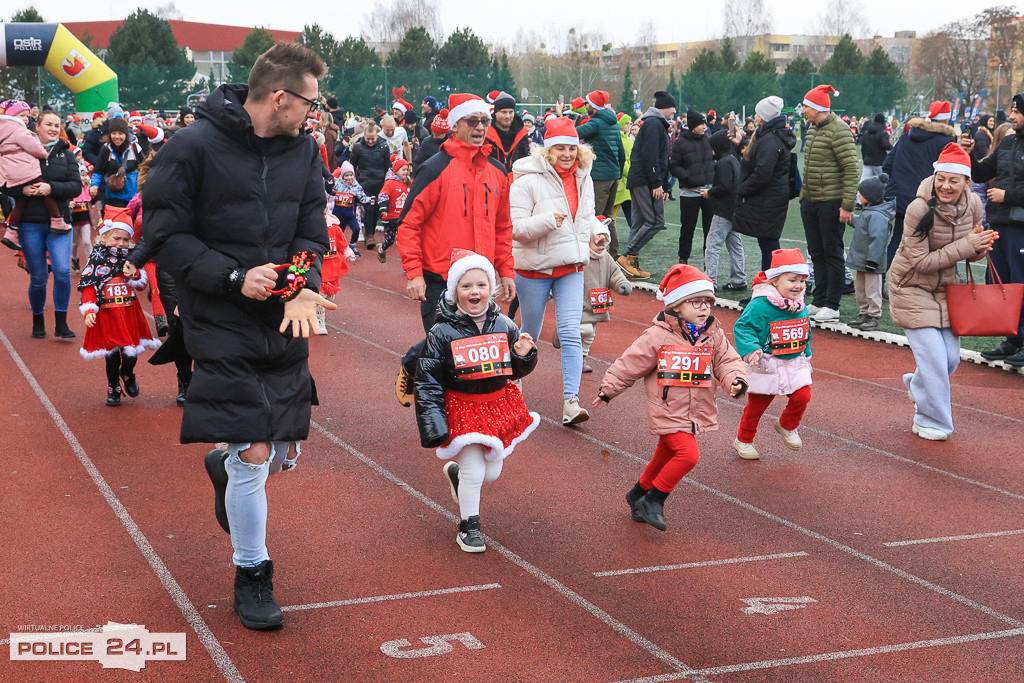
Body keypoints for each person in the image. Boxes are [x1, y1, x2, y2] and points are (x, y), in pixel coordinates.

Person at [143, 42, 335, 631]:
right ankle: (252, 572)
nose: (314, 112)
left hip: (282, 310)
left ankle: (226, 467)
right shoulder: (192, 147)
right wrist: (232, 277)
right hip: (217, 313)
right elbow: (164, 237)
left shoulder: (305, 152)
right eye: (309, 100)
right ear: (280, 97)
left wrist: (300, 284)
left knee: (280, 451)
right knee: (253, 448)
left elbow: (311, 232)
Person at [593, 264, 746, 530]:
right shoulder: (658, 335)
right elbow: (631, 362)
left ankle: (638, 493)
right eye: (695, 302)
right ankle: (655, 498)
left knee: (665, 454)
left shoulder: (713, 335)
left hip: (696, 409)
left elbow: (726, 362)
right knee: (688, 456)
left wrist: (735, 381)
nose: (703, 308)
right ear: (676, 306)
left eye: (707, 302)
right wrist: (608, 389)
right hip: (667, 407)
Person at [394, 93, 516, 407]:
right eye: (471, 121)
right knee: (451, 357)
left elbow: (503, 227)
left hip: (479, 283)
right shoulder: (434, 169)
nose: (479, 127)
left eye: (483, 121)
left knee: (474, 356)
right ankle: (451, 434)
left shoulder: (498, 172)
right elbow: (408, 225)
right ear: (455, 125)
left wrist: (506, 270)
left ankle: (413, 360)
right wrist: (413, 273)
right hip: (439, 280)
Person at [415, 250, 539, 553]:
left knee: (490, 472)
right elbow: (427, 379)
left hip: (496, 405)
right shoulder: (441, 332)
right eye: (466, 285)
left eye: (481, 285)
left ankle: (458, 476)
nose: (474, 291)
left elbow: (515, 370)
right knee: (475, 470)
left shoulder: (506, 326)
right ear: (455, 292)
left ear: (491, 289)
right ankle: (468, 527)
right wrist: (433, 424)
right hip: (461, 406)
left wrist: (524, 355)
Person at [889, 143, 994, 440]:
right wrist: (967, 246)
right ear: (934, 178)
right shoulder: (918, 208)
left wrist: (980, 246)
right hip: (910, 287)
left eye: (953, 180)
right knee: (935, 359)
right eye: (941, 179)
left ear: (967, 183)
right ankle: (928, 420)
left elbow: (972, 254)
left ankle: (918, 386)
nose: (945, 186)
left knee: (950, 359)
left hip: (947, 289)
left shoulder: (974, 204)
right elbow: (921, 263)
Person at [510, 117, 609, 425]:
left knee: (571, 332)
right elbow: (515, 229)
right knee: (530, 332)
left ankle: (571, 402)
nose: (567, 154)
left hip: (572, 266)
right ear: (547, 151)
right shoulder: (526, 181)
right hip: (534, 270)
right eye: (560, 148)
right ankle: (512, 387)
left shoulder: (584, 176)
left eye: (571, 148)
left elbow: (587, 215)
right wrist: (546, 221)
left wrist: (597, 231)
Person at [4, 109, 80, 339]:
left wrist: (52, 188)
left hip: (61, 223)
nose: (54, 129)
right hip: (30, 223)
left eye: (57, 125)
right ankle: (38, 320)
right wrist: (21, 190)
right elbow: (4, 182)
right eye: (48, 124)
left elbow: (76, 187)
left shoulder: (67, 155)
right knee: (38, 276)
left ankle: (61, 323)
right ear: (36, 126)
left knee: (63, 271)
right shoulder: (21, 149)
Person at [731, 249, 813, 460]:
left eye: (802, 281)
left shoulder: (799, 304)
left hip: (794, 360)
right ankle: (744, 440)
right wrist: (752, 351)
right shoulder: (760, 304)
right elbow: (743, 327)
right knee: (757, 406)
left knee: (803, 395)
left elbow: (805, 329)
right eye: (792, 280)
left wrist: (807, 355)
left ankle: (787, 425)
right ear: (775, 281)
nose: (798, 285)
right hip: (766, 362)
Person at [967, 94, 1024, 367]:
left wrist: (1008, 195)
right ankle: (1012, 340)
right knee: (1001, 283)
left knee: (1020, 283)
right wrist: (968, 154)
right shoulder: (1008, 142)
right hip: (999, 223)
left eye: (1016, 112)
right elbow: (979, 174)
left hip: (1020, 226)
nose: (1011, 117)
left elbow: (1007, 191)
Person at [78, 218, 160, 405]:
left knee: (130, 353)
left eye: (125, 239)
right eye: (116, 238)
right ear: (104, 238)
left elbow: (141, 286)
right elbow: (89, 285)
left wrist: (136, 275)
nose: (121, 243)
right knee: (112, 355)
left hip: (128, 312)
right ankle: (113, 385)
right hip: (107, 314)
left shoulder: (131, 258)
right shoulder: (96, 259)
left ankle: (128, 373)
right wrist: (89, 310)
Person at [799, 85, 860, 322]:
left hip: (831, 202)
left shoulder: (840, 131)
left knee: (832, 252)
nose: (803, 111)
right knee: (816, 252)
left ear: (817, 108)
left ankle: (833, 305)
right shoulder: (812, 129)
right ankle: (820, 299)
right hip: (811, 201)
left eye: (806, 106)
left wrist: (846, 206)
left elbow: (851, 170)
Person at [881, 102, 956, 270]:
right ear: (946, 120)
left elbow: (887, 164)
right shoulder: (946, 141)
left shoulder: (907, 136)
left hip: (900, 197)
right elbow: (948, 173)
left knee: (898, 240)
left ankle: (881, 282)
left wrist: (896, 184)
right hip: (928, 200)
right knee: (937, 244)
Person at [552, 218, 632, 373]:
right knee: (583, 329)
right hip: (579, 301)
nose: (600, 247)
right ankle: (564, 334)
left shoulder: (607, 258)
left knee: (590, 335)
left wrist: (622, 285)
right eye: (596, 243)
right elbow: (562, 273)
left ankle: (581, 359)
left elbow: (615, 274)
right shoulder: (580, 256)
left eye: (604, 243)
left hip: (598, 302)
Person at [732, 96, 796, 273]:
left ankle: (770, 289)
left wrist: (741, 190)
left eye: (758, 113)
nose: (755, 116)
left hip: (768, 200)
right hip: (770, 199)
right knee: (768, 245)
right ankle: (769, 287)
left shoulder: (769, 139)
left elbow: (762, 173)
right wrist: (740, 145)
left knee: (769, 247)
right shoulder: (771, 136)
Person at [618, 91, 676, 279]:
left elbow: (661, 158)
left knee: (639, 224)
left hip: (642, 180)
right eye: (673, 108)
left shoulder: (655, 124)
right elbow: (651, 156)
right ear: (665, 107)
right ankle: (627, 258)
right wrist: (657, 183)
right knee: (655, 221)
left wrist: (665, 185)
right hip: (645, 180)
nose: (674, 112)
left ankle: (630, 267)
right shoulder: (653, 124)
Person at [1, 101, 70, 250]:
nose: (26, 119)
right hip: (23, 168)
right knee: (44, 190)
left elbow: (74, 186)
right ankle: (57, 219)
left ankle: (11, 231)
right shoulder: (19, 130)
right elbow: (31, 146)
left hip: (10, 170)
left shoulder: (4, 129)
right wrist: (43, 154)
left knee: (20, 202)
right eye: (22, 115)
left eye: (27, 116)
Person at [575, 90, 626, 257]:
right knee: (608, 218)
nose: (586, 106)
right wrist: (618, 174)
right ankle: (614, 253)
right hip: (612, 174)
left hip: (599, 176)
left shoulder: (596, 123)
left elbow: (574, 134)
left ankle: (597, 253)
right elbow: (620, 151)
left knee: (596, 215)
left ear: (594, 106)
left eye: (588, 103)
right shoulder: (613, 123)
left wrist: (565, 117)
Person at [846, 174, 895, 331]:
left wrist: (873, 260)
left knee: (873, 289)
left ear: (870, 197)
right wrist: (850, 218)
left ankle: (873, 315)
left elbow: (878, 239)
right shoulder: (870, 211)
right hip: (862, 259)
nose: (859, 196)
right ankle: (864, 311)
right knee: (860, 289)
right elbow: (862, 224)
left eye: (861, 194)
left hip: (870, 261)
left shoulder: (878, 216)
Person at [700, 129, 746, 290]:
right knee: (735, 245)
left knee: (712, 246)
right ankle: (739, 279)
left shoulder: (723, 163)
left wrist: (709, 192)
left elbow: (725, 187)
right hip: (735, 209)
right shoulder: (733, 159)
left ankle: (710, 281)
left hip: (723, 210)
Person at [671, 109, 714, 265]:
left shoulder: (707, 139)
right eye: (701, 124)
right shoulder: (680, 142)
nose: (704, 126)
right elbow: (674, 166)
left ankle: (708, 261)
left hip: (709, 192)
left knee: (710, 230)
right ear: (693, 125)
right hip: (689, 193)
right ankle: (683, 260)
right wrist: (688, 176)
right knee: (687, 229)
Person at [348, 122, 390, 249]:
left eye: (373, 139)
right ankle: (370, 236)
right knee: (369, 208)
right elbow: (352, 165)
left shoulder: (383, 146)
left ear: (377, 136)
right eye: (368, 139)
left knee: (377, 208)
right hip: (364, 182)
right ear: (364, 136)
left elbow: (387, 164)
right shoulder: (358, 147)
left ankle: (369, 231)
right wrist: (352, 182)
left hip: (380, 182)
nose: (371, 141)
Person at [90, 116, 145, 210]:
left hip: (133, 196)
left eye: (120, 134)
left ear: (126, 134)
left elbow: (145, 168)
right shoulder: (106, 149)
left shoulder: (135, 148)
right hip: (113, 197)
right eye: (114, 133)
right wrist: (94, 185)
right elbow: (98, 171)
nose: (117, 137)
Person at [375, 156, 412, 263]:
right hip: (391, 217)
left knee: (405, 241)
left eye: (407, 170)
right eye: (403, 170)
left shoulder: (408, 183)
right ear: (396, 171)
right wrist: (383, 207)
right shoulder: (390, 183)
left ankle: (407, 263)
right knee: (390, 240)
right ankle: (382, 248)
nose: (406, 172)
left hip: (404, 218)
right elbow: (383, 195)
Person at [331, 160, 371, 256]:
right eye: (347, 175)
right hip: (338, 214)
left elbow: (362, 196)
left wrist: (370, 199)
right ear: (343, 176)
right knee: (338, 233)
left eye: (351, 175)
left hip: (350, 214)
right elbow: (330, 190)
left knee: (356, 229)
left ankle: (352, 244)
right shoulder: (337, 184)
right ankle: (336, 248)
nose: (349, 178)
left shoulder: (356, 186)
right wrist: (328, 185)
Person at [485, 91, 531, 173]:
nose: (507, 116)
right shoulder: (485, 132)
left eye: (511, 112)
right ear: (496, 112)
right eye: (504, 112)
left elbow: (525, 159)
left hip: (515, 180)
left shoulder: (522, 133)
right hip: (491, 179)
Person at [413, 108, 450, 173]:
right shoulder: (427, 142)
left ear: (445, 133)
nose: (434, 137)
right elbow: (417, 162)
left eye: (438, 135)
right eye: (433, 133)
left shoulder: (451, 141)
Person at [861, 113, 893, 180]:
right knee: (884, 182)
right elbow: (886, 145)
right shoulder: (883, 133)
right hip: (880, 162)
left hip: (867, 161)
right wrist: (893, 147)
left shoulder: (866, 133)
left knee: (864, 181)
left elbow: (863, 149)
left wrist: (865, 159)